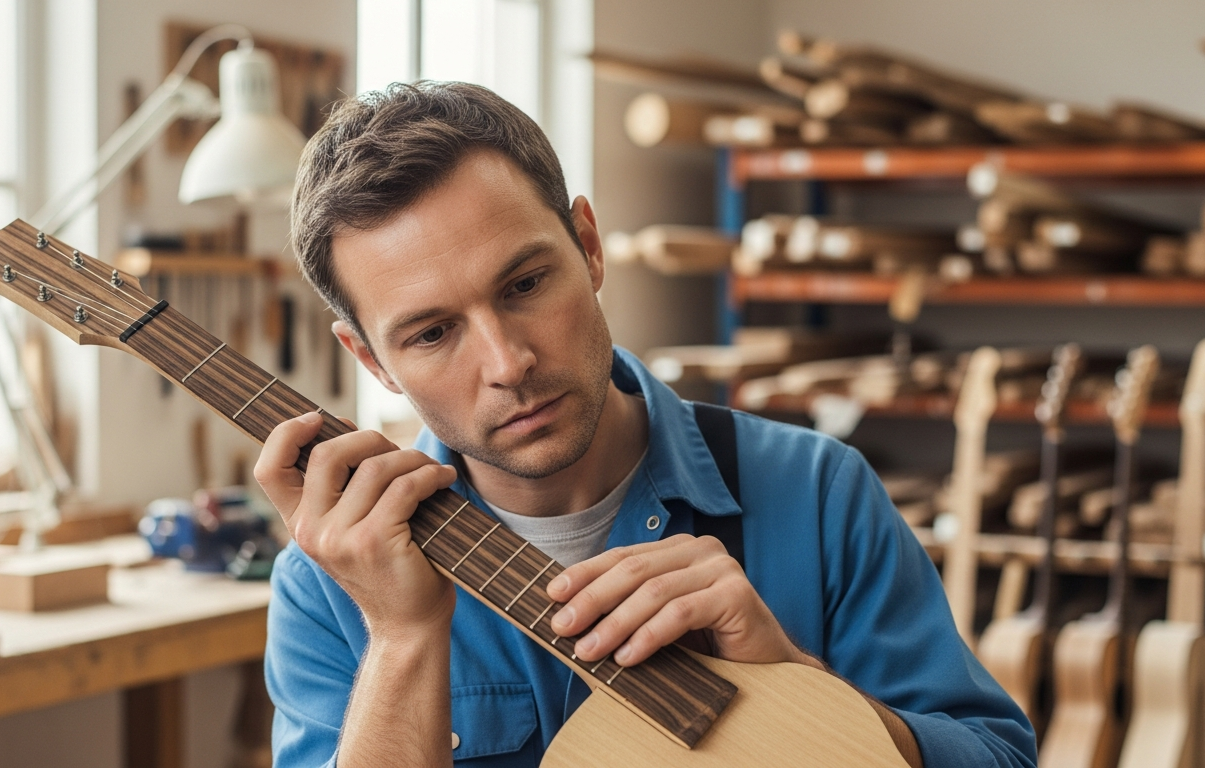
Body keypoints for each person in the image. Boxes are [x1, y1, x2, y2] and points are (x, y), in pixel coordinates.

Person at [255, 81, 1035, 768]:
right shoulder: (328, 589)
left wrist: (796, 688)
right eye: (431, 334)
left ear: (588, 247)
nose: (507, 362)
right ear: (371, 361)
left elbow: (999, 759)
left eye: (525, 283)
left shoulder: (816, 492)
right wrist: (400, 641)